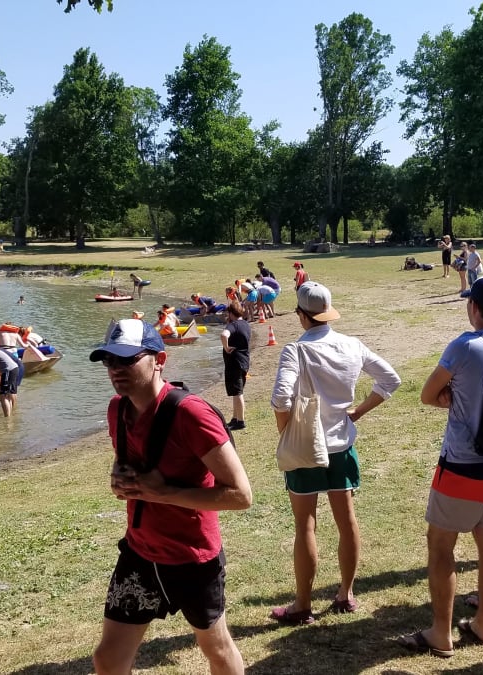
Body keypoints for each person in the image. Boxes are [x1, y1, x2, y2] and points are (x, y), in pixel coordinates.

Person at [88, 319, 251, 675]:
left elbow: (240, 495)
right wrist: (121, 480)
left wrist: (164, 493)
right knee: (108, 658)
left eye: (127, 359)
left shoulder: (191, 414)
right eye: (109, 361)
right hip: (140, 553)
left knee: (216, 648)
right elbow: (129, 465)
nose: (116, 369)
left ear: (159, 359)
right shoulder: (118, 409)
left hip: (192, 560)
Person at [401, 276, 483, 656]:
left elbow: (427, 394)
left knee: (441, 544)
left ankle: (441, 633)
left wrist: (454, 398)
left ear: (473, 306)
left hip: (463, 465)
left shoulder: (464, 346)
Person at [270, 282, 401, 625]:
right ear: (327, 312)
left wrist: (286, 432)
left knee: (305, 527)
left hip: (305, 450)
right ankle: (346, 593)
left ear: (300, 315)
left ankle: (302, 604)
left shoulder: (294, 350)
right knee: (347, 523)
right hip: (342, 445)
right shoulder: (352, 345)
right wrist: (358, 411)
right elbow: (391, 379)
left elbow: (281, 399)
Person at [221, 304, 250, 431]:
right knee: (236, 391)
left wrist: (227, 348)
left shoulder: (232, 325)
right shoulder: (245, 324)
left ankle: (240, 421)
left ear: (231, 313)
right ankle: (235, 418)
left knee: (238, 392)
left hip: (234, 363)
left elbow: (224, 335)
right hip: (244, 361)